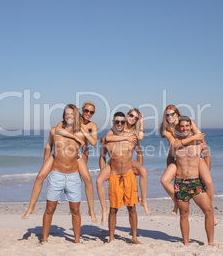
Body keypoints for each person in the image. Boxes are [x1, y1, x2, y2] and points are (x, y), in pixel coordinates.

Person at [22, 101, 98, 223]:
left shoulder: (91, 126)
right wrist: (45, 159)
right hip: (59, 155)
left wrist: (83, 134)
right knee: (40, 176)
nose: (88, 114)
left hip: (77, 155)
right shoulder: (65, 123)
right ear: (81, 111)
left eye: (91, 112)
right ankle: (31, 207)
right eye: (86, 111)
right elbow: (54, 135)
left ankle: (91, 211)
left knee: (88, 179)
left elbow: (91, 144)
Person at [96, 108, 149, 226]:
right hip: (113, 167)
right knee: (99, 181)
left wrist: (142, 121)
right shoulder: (112, 132)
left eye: (135, 118)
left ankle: (144, 200)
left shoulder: (133, 134)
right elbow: (106, 141)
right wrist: (103, 171)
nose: (120, 124)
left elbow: (139, 148)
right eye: (131, 116)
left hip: (128, 166)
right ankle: (104, 209)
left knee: (143, 171)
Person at [159, 105, 214, 216]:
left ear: (177, 114)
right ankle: (175, 201)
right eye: (167, 115)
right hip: (178, 155)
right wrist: (193, 138)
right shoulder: (166, 130)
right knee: (164, 180)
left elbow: (200, 136)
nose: (170, 117)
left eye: (172, 114)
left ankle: (210, 210)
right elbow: (174, 144)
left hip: (194, 156)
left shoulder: (185, 122)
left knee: (208, 182)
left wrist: (196, 140)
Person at [42, 104, 84, 243]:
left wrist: (83, 164)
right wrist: (45, 165)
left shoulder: (80, 134)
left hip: (73, 175)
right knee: (50, 207)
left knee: (75, 209)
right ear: (63, 116)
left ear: (76, 116)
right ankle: (44, 239)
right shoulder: (54, 131)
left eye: (72, 114)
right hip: (56, 174)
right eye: (67, 114)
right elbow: (48, 146)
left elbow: (86, 151)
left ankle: (77, 241)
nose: (69, 116)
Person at [172, 116, 214, 246]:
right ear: (179, 127)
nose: (184, 128)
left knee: (209, 211)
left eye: (187, 126)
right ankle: (186, 243)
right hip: (180, 183)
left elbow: (207, 156)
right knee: (184, 214)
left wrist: (205, 172)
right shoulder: (176, 142)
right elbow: (171, 155)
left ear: (191, 127)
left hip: (196, 182)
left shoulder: (200, 142)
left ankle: (211, 243)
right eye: (182, 126)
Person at [100, 112, 141, 244]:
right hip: (114, 175)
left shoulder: (132, 137)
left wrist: (138, 168)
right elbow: (102, 157)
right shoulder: (105, 139)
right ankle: (111, 238)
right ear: (113, 122)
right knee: (113, 209)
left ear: (125, 123)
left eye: (122, 122)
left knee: (132, 208)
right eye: (117, 122)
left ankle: (134, 237)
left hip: (129, 175)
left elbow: (139, 153)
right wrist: (103, 171)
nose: (119, 124)